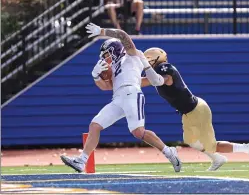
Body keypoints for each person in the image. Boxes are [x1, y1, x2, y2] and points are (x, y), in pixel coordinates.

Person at [60, 24, 181, 173]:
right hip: (117, 98)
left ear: (115, 50)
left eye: (107, 54)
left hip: (131, 94)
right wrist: (95, 76)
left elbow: (122, 35)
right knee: (95, 125)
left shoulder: (132, 54)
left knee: (138, 132)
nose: (105, 58)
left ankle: (169, 152)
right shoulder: (116, 67)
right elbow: (106, 87)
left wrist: (102, 31)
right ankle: (82, 161)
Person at [140, 47, 249, 171]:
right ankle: (218, 159)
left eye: (147, 59)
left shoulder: (163, 68)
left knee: (211, 146)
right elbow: (150, 80)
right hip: (190, 111)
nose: (146, 62)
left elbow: (159, 80)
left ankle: (247, 148)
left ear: (155, 59)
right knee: (191, 140)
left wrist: (130, 82)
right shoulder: (157, 71)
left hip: (196, 110)